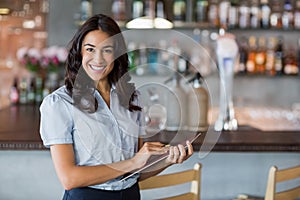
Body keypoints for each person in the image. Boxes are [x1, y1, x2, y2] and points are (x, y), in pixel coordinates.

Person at [39, 13, 193, 200]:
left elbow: (136, 172)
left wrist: (168, 160)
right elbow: (69, 178)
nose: (98, 59)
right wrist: (134, 162)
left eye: (107, 50)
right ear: (79, 52)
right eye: (90, 49)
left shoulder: (132, 99)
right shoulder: (60, 103)